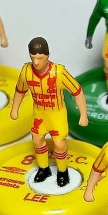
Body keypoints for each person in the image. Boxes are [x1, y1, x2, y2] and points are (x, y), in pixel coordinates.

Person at [10, 37, 88, 188]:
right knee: (37, 140)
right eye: (32, 58)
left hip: (56, 114)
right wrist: (14, 109)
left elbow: (77, 91)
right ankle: (44, 169)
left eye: (40, 58)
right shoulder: (26, 71)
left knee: (59, 143)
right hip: (39, 114)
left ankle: (63, 171)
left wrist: (83, 114)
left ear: (47, 56)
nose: (36, 62)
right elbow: (20, 90)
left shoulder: (59, 73)